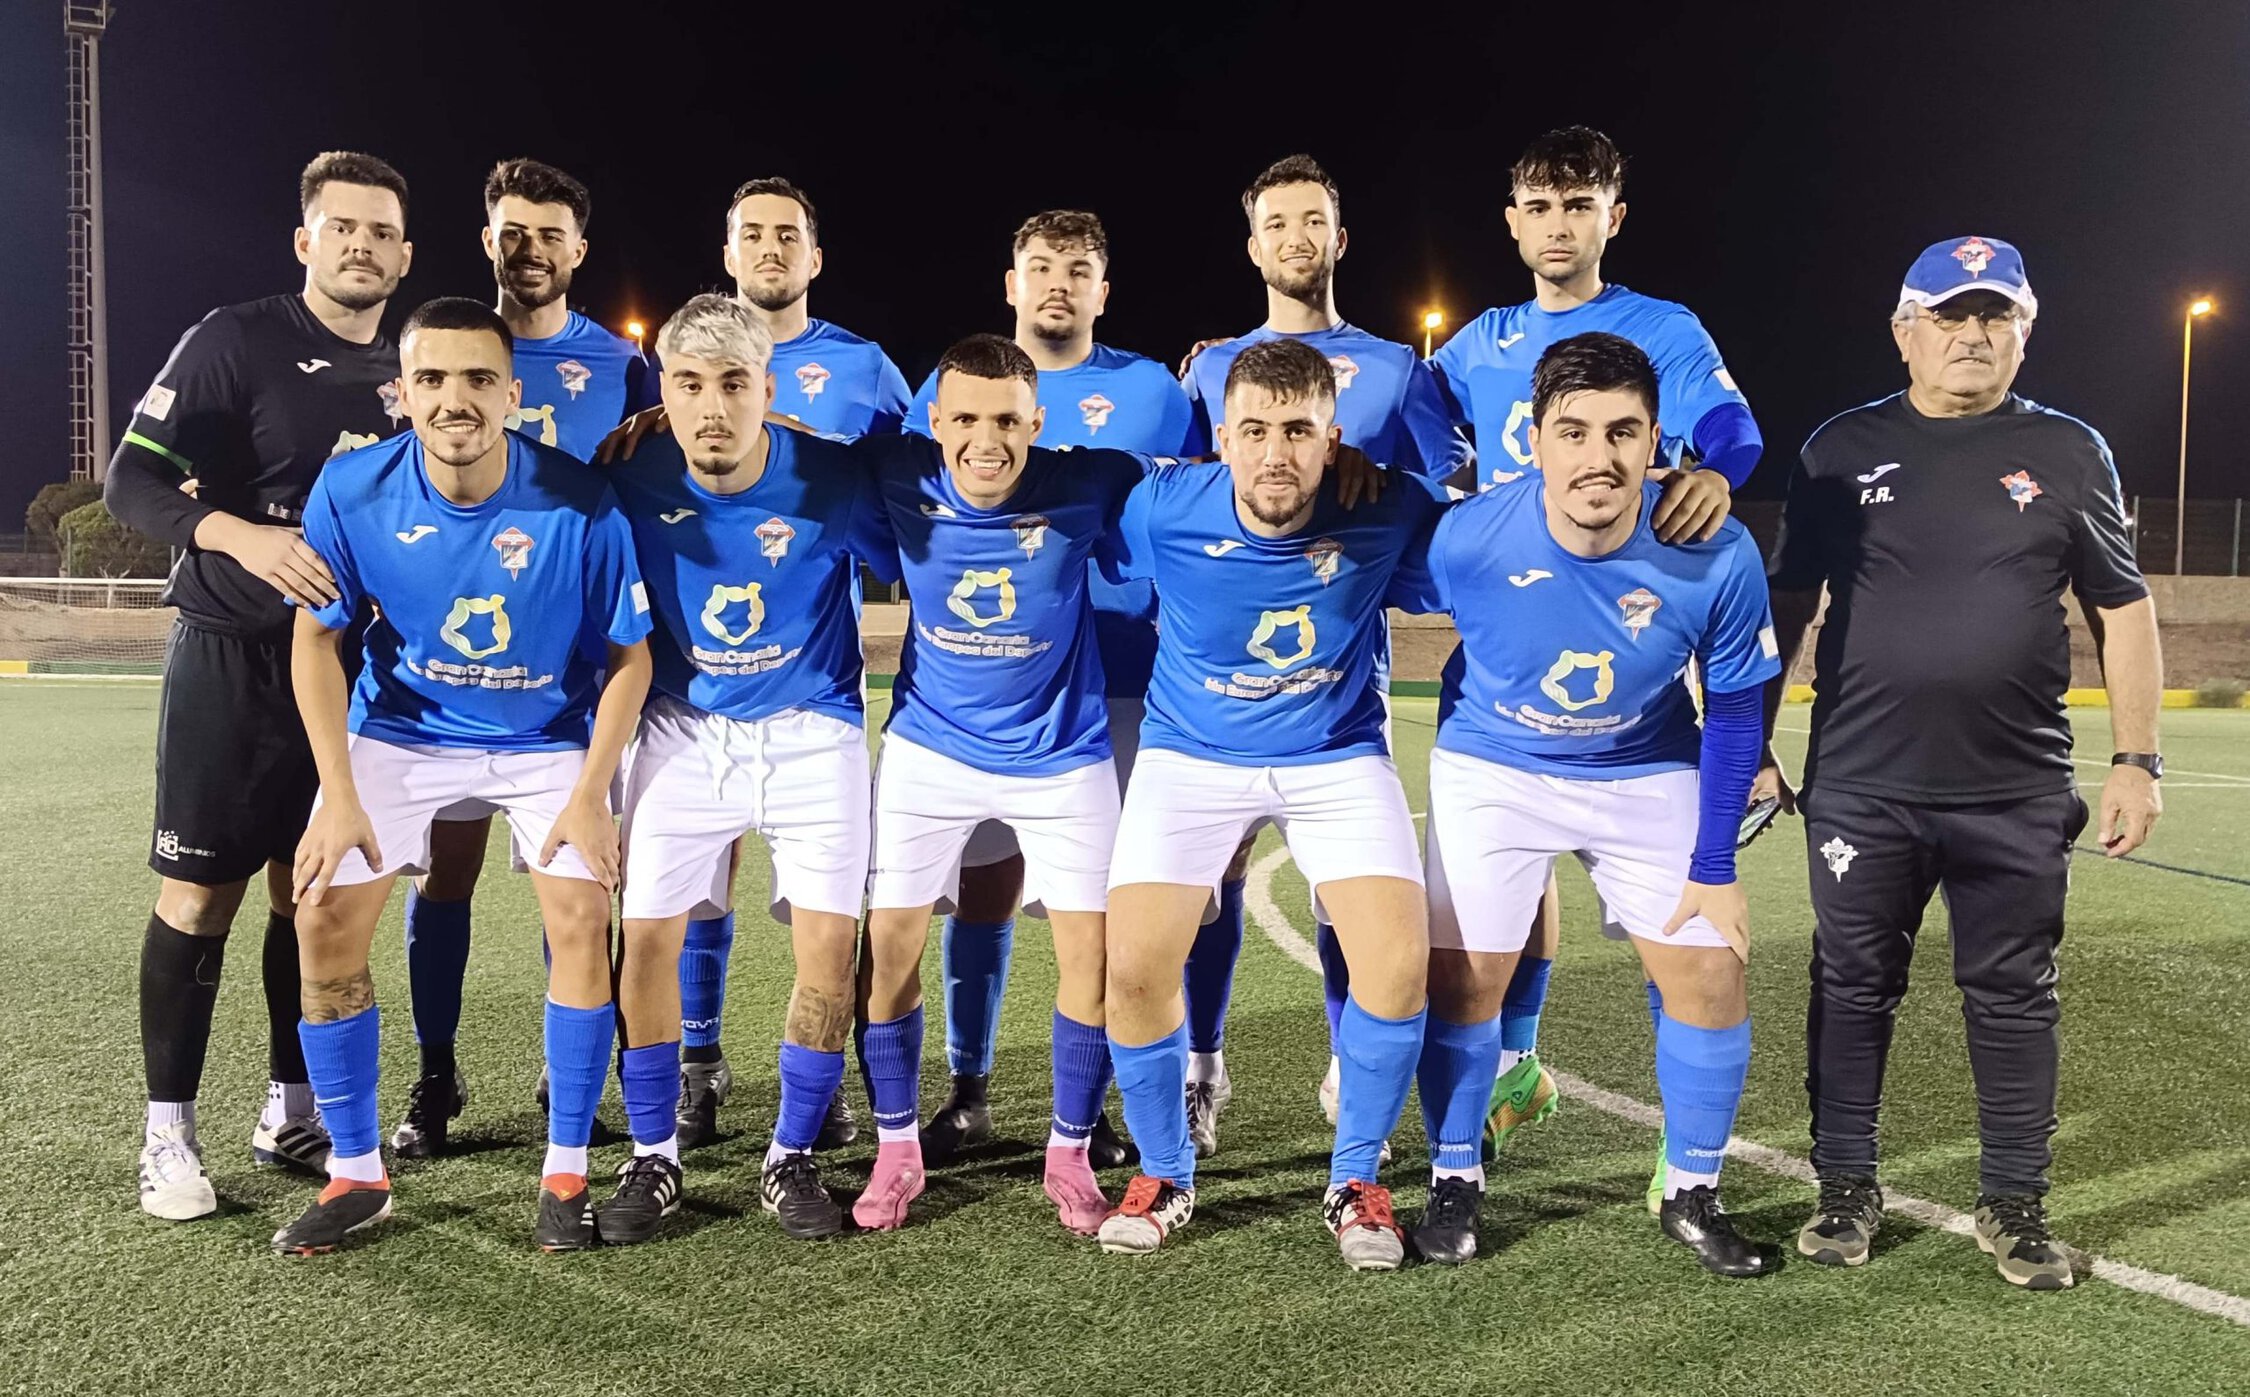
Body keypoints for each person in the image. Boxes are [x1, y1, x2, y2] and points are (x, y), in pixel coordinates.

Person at [1762, 236, 2162, 1290]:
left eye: (1996, 316)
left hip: (2018, 787)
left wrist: (2137, 758)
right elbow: (1789, 605)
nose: (1973, 334)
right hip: (1863, 782)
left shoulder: (2073, 452)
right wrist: (1750, 739)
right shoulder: (1838, 449)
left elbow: (2123, 610)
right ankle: (1845, 1185)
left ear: (2026, 331)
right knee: (1851, 985)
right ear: (1906, 331)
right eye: (1951, 315)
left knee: (2016, 991)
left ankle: (2016, 1201)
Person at [1394, 332, 1780, 1275]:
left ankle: (1691, 1188)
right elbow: (1354, 561)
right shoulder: (1467, 536)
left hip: (1646, 769)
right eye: (1573, 431)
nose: (1598, 456)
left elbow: (1734, 710)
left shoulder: (1717, 550)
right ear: (1536, 439)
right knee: (1464, 979)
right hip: (1496, 769)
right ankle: (1455, 1178)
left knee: (1712, 974)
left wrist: (1717, 863)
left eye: (1624, 432)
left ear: (1657, 443)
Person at [273, 297, 652, 1255]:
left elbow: (630, 660)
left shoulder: (580, 500)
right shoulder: (352, 489)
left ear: (512, 393)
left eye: (479, 379)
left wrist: (590, 794)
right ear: (400, 393)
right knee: (320, 908)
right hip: (402, 728)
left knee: (579, 913)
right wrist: (340, 792)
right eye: (433, 379)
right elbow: (316, 641)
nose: (456, 399)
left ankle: (565, 1168)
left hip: (545, 733)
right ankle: (356, 1171)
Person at [1427, 124, 1753, 1163]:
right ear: (1513, 220)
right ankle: (1514, 1063)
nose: (1559, 224)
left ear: (1613, 215)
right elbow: (1408, 427)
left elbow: (1729, 427)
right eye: (1540, 204)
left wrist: (1721, 471)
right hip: (1503, 637)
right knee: (1501, 894)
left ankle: (1684, 1164)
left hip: (1632, 642)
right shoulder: (1477, 340)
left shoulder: (1661, 325)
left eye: (1581, 205)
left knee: (1685, 938)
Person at [103, 150, 413, 1220]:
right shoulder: (236, 337)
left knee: (311, 891)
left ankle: (292, 1107)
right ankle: (167, 1135)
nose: (362, 245)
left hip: (348, 672)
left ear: (405, 253)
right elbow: (129, 478)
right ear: (306, 240)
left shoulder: (414, 370)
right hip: (234, 657)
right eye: (344, 227)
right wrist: (238, 533)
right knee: (200, 893)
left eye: (381, 231)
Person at [1097, 338, 1442, 1271]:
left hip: (1334, 752)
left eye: (1299, 430)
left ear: (1334, 438)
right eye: (1254, 430)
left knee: (1401, 963)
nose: (1275, 452)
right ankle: (1167, 1172)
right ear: (1221, 436)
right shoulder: (1163, 504)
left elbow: (1489, 550)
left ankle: (1356, 1176)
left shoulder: (1388, 506)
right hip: (1190, 753)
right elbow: (1050, 495)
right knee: (1127, 967)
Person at [1173, 154, 1471, 1153]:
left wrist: (1369, 468)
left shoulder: (1397, 369)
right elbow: (1184, 493)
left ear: (1340, 240)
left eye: (1315, 221)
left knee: (1352, 885)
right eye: (1277, 223)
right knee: (1212, 877)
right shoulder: (1212, 368)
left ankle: (1354, 1068)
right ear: (1253, 244)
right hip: (1222, 675)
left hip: (1344, 669)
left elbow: (1446, 502)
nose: (1296, 238)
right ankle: (1200, 1066)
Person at [601, 296, 897, 1242]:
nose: (713, 408)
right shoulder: (627, 470)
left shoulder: (836, 475)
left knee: (825, 949)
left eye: (735, 384)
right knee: (643, 938)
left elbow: (933, 528)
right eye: (689, 385)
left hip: (815, 729)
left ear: (770, 390)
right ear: (664, 393)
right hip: (683, 728)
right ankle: (654, 1154)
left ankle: (792, 1152)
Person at [905, 209, 1192, 1163]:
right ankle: (969, 1089)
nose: (1059, 282)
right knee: (982, 894)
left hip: (1125, 680)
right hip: (991, 687)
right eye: (1040, 266)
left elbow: (1195, 498)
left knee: (1103, 912)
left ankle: (1092, 1107)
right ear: (1011, 281)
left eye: (1079, 268)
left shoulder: (1155, 389)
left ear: (1104, 290)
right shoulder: (951, 385)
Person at [852, 334, 1148, 1236]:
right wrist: (658, 423)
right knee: (891, 946)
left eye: (1008, 420)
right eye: (967, 419)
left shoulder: (1092, 480)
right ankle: (896, 1146)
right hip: (930, 749)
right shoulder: (893, 470)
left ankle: (1068, 1146)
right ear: (933, 422)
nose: (988, 440)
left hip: (1064, 753)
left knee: (1090, 957)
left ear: (1037, 423)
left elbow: (1213, 482)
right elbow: (771, 446)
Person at [397, 156, 657, 1159]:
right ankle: (433, 1073)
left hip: (573, 670)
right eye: (514, 230)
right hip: (453, 665)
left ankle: (568, 1069)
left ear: (579, 251)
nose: (531, 249)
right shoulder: (451, 348)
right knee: (446, 875)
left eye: (551, 234)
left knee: (574, 882)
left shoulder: (621, 364)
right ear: (487, 237)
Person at [674, 176, 915, 1149]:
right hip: (690, 683)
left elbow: (912, 498)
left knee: (829, 901)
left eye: (789, 236)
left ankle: (834, 1077)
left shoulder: (862, 369)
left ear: (815, 258)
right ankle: (698, 1064)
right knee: (697, 882)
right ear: (727, 254)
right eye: (753, 235)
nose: (771, 249)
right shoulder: (687, 359)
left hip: (814, 681)